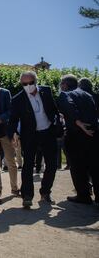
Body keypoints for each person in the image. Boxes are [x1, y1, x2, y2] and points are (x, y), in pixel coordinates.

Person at [9, 71, 61, 209]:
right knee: (28, 166)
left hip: (48, 132)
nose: (28, 86)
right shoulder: (17, 99)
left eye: (31, 83)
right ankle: (27, 196)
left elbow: (54, 110)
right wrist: (13, 133)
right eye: (24, 84)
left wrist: (56, 123)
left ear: (36, 81)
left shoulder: (46, 91)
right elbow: (13, 119)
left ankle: (45, 192)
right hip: (30, 136)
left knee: (52, 164)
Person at [57, 74, 98, 205]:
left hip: (76, 136)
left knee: (77, 167)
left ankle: (83, 195)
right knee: (94, 167)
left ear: (64, 85)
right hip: (93, 135)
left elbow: (69, 107)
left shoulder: (65, 95)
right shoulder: (88, 95)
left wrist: (78, 122)